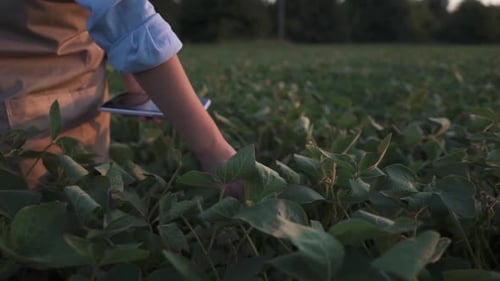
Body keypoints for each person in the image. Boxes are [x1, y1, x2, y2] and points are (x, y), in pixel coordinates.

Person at [0, 0, 243, 199]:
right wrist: (213, 150)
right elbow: (128, 18)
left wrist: (132, 75)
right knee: (52, 226)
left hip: (70, 100)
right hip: (24, 122)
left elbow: (109, 12)